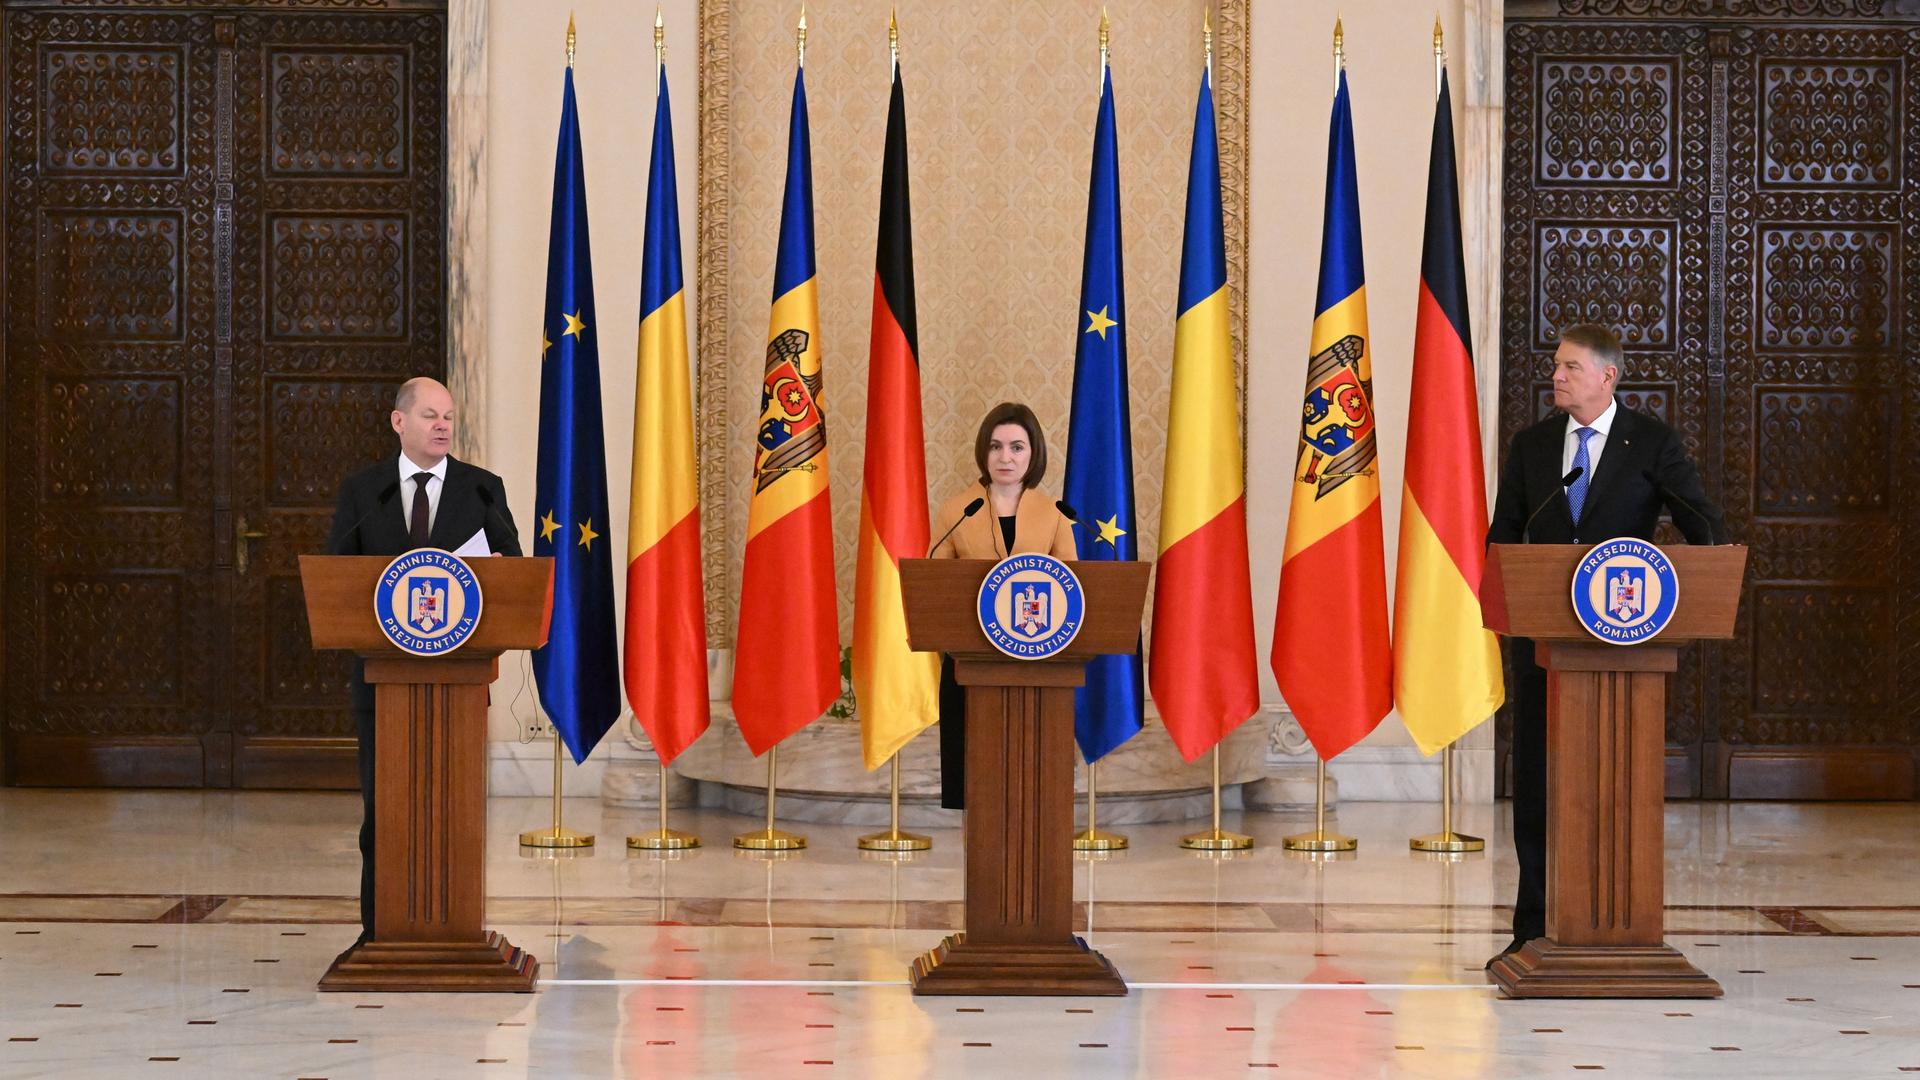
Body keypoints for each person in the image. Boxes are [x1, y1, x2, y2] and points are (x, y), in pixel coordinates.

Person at [1485, 323, 1722, 967]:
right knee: (1536, 778)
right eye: (1555, 366)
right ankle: (1530, 925)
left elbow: (1701, 519)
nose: (1556, 376)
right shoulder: (1533, 445)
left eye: (1569, 367)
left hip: (1624, 642)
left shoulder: (1651, 441)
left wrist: (1709, 570)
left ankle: (1621, 924)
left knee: (1616, 777)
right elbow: (1505, 534)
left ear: (1607, 376)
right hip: (1544, 642)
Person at [324, 376, 521, 944]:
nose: (442, 426)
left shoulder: (482, 489)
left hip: (458, 679)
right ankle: (378, 932)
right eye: (431, 415)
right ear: (399, 421)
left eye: (449, 418)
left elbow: (511, 570)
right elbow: (339, 574)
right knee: (383, 811)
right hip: (381, 683)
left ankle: (456, 931)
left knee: (453, 811)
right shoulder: (366, 491)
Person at [929, 402, 1077, 809]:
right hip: (968, 664)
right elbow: (934, 586)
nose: (1005, 457)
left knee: (1030, 786)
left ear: (1033, 455)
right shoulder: (957, 510)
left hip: (1038, 665)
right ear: (983, 453)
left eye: (1016, 447)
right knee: (975, 785)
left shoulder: (1054, 513)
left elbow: (1075, 586)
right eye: (996, 447)